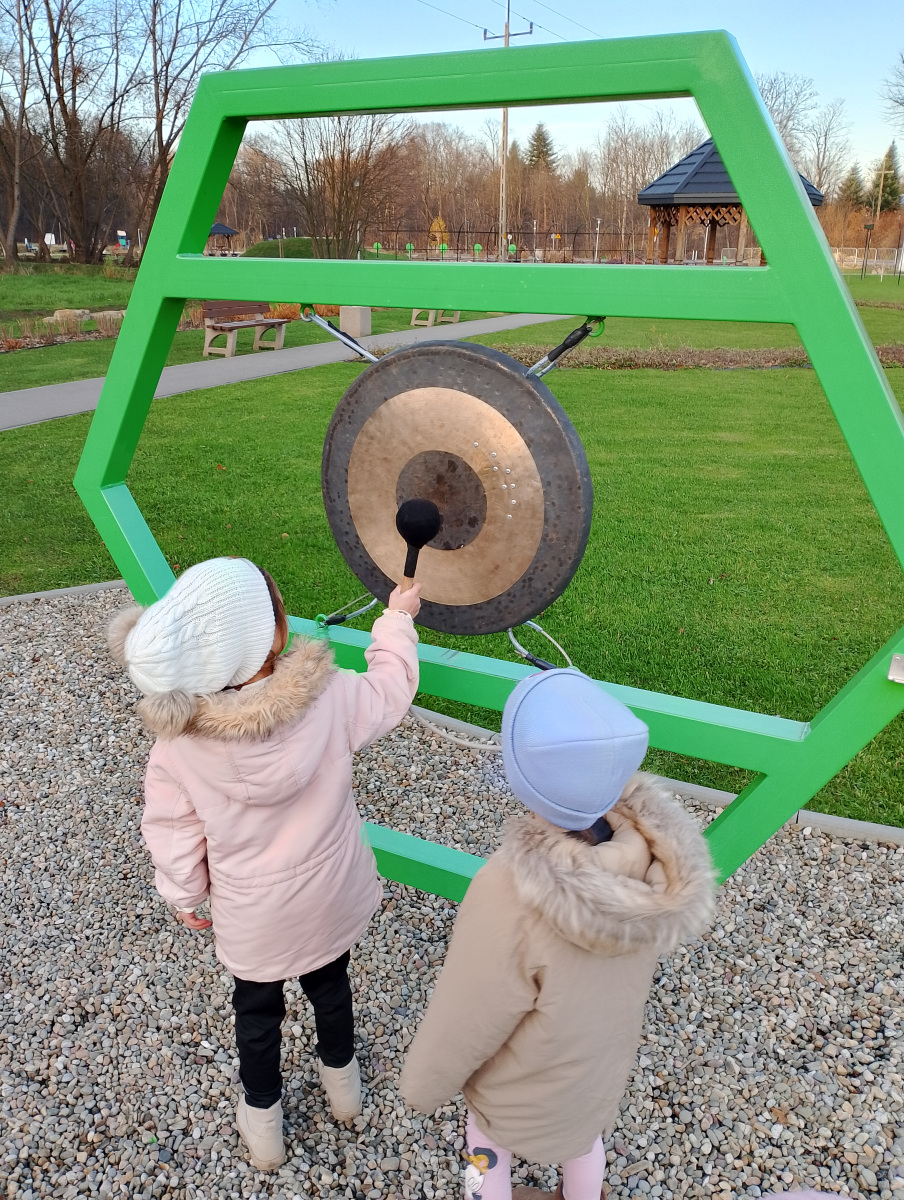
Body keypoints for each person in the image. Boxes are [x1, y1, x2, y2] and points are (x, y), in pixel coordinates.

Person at [108, 557, 421, 1172]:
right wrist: (396, 621)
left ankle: (264, 1128)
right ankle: (344, 1089)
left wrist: (184, 895)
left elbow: (172, 832)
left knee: (256, 1017)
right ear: (276, 635)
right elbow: (390, 690)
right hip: (329, 895)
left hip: (255, 917)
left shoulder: (179, 748)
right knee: (332, 988)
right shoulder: (330, 697)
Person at [400, 668, 716, 1200]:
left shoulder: (509, 891)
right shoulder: (654, 864)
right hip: (595, 1080)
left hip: (516, 1091)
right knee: (585, 1145)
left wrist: (422, 1087)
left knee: (483, 1150)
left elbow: (471, 1009)